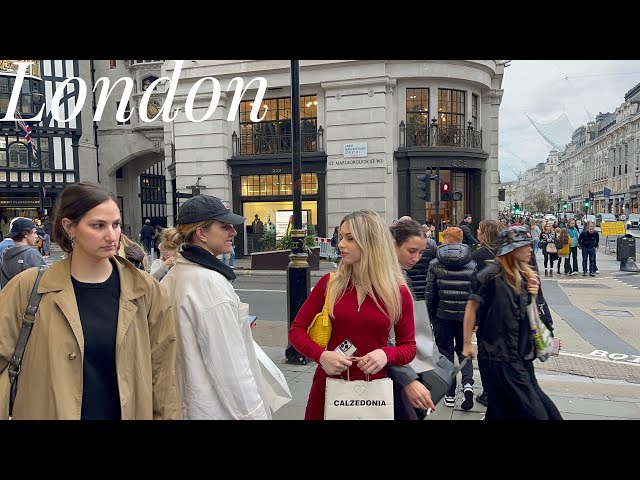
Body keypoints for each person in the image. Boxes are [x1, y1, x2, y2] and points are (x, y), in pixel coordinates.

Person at [0, 181, 181, 419]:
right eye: (98, 225)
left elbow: (163, 376)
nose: (112, 235)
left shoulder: (146, 290)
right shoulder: (28, 288)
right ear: (69, 227)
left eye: (116, 224)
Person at [288, 209, 416, 420]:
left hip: (374, 391)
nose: (341, 245)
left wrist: (386, 354)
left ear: (370, 242)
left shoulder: (397, 292)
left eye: (350, 238)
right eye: (341, 238)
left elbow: (409, 347)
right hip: (328, 385)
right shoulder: (329, 284)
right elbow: (296, 330)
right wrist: (321, 356)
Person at [159, 194, 271, 420]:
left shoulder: (174, 276)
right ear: (201, 233)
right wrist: (256, 415)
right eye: (225, 226)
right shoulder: (210, 284)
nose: (234, 232)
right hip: (215, 408)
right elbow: (231, 368)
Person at [462, 226, 562, 420]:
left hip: (521, 355)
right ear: (511, 249)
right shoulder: (489, 275)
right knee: (537, 414)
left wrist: (532, 296)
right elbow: (471, 308)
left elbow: (529, 317)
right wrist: (467, 344)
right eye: (525, 245)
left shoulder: (525, 276)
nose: (530, 249)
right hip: (499, 357)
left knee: (505, 410)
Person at [386, 218, 437, 420]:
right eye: (411, 251)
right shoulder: (389, 278)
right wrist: (408, 379)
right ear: (393, 246)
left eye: (421, 252)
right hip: (392, 368)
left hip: (402, 363)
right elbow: (384, 335)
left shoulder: (399, 275)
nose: (416, 258)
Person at [426, 226, 477, 410]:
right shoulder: (472, 264)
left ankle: (449, 393)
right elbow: (476, 294)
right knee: (464, 351)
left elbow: (430, 294)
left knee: (445, 354)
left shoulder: (435, 263)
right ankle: (468, 385)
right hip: (465, 317)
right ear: (461, 240)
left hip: (442, 316)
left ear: (446, 240)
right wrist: (475, 320)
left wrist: (431, 316)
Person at [470, 219, 500, 408]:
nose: (477, 232)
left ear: (485, 233)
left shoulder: (478, 256)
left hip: (485, 312)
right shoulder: (508, 253)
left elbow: (474, 289)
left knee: (485, 353)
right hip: (505, 313)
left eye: (479, 229)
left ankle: (489, 392)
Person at [0, 218, 48, 289]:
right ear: (25, 234)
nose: (36, 236)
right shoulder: (32, 254)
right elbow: (45, 280)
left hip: (7, 298)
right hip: (27, 299)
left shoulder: (5, 254)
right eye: (34, 233)